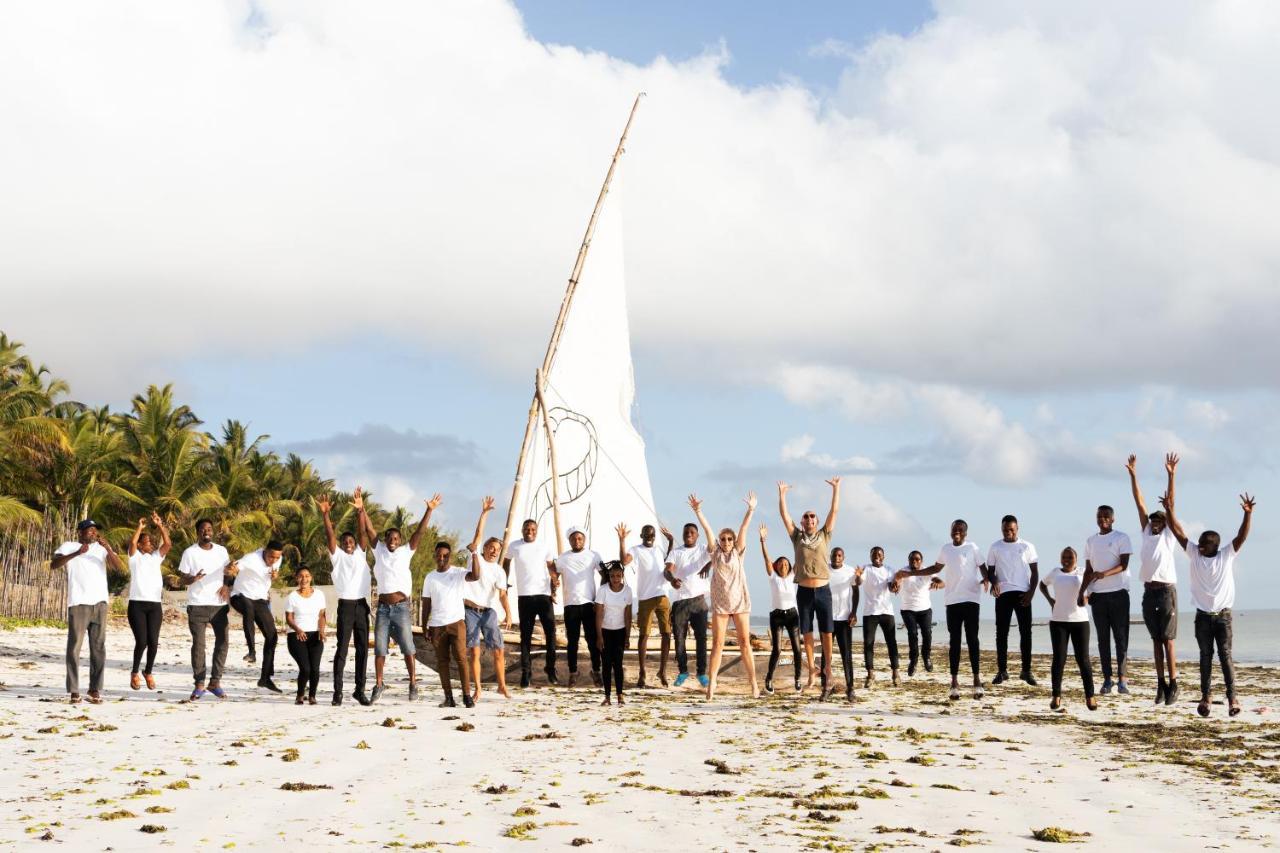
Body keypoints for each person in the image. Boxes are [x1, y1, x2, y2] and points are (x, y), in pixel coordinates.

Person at [1161, 489, 1255, 717]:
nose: (1200, 545)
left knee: (1225, 656)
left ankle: (1232, 698)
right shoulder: (1194, 554)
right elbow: (1177, 531)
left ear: (1214, 545)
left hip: (1223, 616)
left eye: (1204, 543)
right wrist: (1169, 510)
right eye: (1200, 542)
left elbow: (1241, 537)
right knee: (1205, 657)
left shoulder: (1225, 555)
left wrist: (1247, 514)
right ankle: (1206, 698)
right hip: (1202, 616)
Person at [360, 491, 440, 703]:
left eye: (396, 538)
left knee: (407, 647)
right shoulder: (379, 551)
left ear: (400, 540)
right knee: (379, 648)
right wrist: (361, 509)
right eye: (389, 538)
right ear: (385, 539)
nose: (392, 541)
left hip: (402, 607)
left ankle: (413, 683)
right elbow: (369, 529)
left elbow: (420, 533)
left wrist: (429, 510)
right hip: (384, 609)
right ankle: (379, 684)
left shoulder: (406, 551)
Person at [896, 520, 988, 700]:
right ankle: (954, 683)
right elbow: (935, 568)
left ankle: (976, 681)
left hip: (971, 599)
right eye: (954, 530)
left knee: (972, 640)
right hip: (952, 601)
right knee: (954, 642)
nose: (957, 533)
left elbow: (983, 568)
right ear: (950, 531)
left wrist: (987, 580)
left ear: (966, 533)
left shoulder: (973, 548)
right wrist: (912, 573)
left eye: (960, 530)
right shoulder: (946, 549)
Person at [777, 477, 841, 701]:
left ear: (817, 521)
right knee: (807, 633)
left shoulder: (825, 535)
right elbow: (785, 518)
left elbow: (834, 511)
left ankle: (828, 668)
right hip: (804, 592)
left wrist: (836, 489)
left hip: (823, 590)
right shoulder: (797, 537)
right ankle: (812, 671)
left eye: (812, 516)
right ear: (803, 522)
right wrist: (782, 495)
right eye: (806, 516)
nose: (809, 519)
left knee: (827, 632)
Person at [691, 492, 759, 701]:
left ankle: (754, 685)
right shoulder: (715, 553)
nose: (727, 541)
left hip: (739, 602)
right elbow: (708, 530)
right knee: (717, 644)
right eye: (724, 539)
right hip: (721, 604)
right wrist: (698, 511)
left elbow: (744, 529)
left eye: (729, 539)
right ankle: (712, 684)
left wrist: (751, 510)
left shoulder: (738, 552)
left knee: (744, 643)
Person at [1126, 454, 1181, 706]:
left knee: (1168, 641)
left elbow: (1172, 504)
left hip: (1166, 591)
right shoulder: (1147, 532)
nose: (1155, 523)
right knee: (1156, 641)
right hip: (1149, 592)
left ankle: (1174, 683)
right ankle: (1160, 684)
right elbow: (1139, 504)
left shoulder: (1169, 536)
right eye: (1153, 520)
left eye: (1159, 520)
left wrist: (1171, 475)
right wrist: (1133, 475)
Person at [51, 519, 122, 704]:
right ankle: (74, 690)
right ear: (80, 532)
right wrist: (77, 553)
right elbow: (54, 564)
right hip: (78, 602)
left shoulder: (101, 549)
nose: (93, 532)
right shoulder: (69, 546)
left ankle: (95, 689)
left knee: (98, 647)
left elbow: (119, 567)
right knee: (74, 647)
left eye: (95, 530)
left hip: (100, 603)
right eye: (89, 530)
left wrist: (107, 548)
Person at [175, 519, 238, 700]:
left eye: (209, 529)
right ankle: (199, 684)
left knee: (223, 642)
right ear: (197, 532)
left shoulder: (221, 551)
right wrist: (193, 579)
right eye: (203, 529)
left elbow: (228, 571)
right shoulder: (190, 553)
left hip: (219, 605)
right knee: (199, 645)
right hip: (197, 605)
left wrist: (227, 586)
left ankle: (215, 682)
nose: (206, 532)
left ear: (213, 531)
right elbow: (182, 579)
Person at [320, 490, 372, 706]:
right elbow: (330, 537)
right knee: (342, 649)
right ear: (341, 544)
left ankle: (359, 690)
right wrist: (325, 515)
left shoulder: (361, 553)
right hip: (346, 606)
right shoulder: (337, 556)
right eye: (345, 540)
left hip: (362, 605)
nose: (349, 542)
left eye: (351, 540)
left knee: (362, 650)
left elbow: (363, 532)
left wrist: (360, 510)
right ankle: (337, 692)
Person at [421, 539, 482, 708]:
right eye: (439, 555)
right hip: (437, 625)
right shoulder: (430, 577)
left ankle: (466, 696)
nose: (442, 558)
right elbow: (426, 604)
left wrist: (474, 553)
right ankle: (449, 698)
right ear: (435, 556)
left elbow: (476, 576)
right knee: (442, 662)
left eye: (445, 556)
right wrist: (424, 626)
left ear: (450, 557)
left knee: (462, 658)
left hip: (456, 623)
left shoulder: (458, 573)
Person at [463, 498, 513, 702]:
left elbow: (502, 594)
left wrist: (509, 613)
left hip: (489, 612)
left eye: (497, 549)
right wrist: (484, 513)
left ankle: (502, 686)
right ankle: (478, 689)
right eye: (491, 547)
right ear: (483, 549)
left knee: (498, 650)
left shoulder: (499, 571)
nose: (494, 550)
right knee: (474, 652)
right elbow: (477, 536)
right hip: (470, 610)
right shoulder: (476, 560)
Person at [1082, 505, 1133, 695]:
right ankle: (1107, 680)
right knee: (1103, 640)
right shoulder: (1090, 541)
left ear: (1112, 519)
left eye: (1106, 516)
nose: (1102, 519)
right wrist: (1083, 592)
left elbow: (1124, 564)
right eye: (1099, 516)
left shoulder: (1121, 537)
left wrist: (1104, 574)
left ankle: (1123, 681)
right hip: (1098, 596)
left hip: (1118, 593)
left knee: (1121, 638)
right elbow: (1088, 570)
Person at [1039, 547, 1097, 711]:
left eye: (1070, 557)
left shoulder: (1083, 572)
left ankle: (1090, 697)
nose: (1067, 559)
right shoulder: (1055, 572)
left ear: (1076, 559)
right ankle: (1056, 696)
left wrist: (1087, 597)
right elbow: (1042, 585)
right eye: (1064, 557)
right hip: (1058, 621)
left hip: (1080, 621)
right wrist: (1051, 601)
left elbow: (1093, 587)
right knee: (1059, 660)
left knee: (1083, 660)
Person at [618, 523, 674, 688]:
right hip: (645, 597)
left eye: (652, 535)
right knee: (644, 635)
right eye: (647, 535)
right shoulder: (636, 549)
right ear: (642, 536)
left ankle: (662, 671)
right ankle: (642, 672)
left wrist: (670, 542)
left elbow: (667, 562)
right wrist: (621, 540)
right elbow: (624, 561)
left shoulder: (658, 549)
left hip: (662, 595)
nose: (650, 538)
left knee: (666, 633)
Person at [504, 519, 559, 688]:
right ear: (522, 530)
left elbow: (551, 567)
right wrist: (504, 582)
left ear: (537, 530)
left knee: (551, 633)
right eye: (527, 529)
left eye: (533, 529)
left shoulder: (545, 546)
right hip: (524, 596)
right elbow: (506, 563)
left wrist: (554, 584)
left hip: (543, 596)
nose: (530, 531)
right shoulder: (514, 546)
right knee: (525, 637)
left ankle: (550, 668)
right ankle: (526, 672)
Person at [986, 515, 1039, 686]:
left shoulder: (1027, 546)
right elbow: (990, 571)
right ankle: (1002, 671)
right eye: (1005, 530)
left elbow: (1035, 572)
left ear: (1017, 529)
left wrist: (1031, 592)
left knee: (1026, 633)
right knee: (1001, 634)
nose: (1008, 532)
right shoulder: (995, 547)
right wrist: (994, 583)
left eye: (1011, 529)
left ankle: (1026, 671)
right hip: (1003, 594)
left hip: (1023, 593)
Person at [228, 539, 284, 693]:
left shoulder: (278, 558)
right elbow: (233, 568)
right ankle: (251, 652)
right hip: (239, 596)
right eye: (271, 557)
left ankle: (265, 678)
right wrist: (231, 569)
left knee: (272, 636)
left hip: (260, 600)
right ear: (265, 551)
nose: (273, 560)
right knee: (248, 608)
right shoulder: (251, 558)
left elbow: (274, 573)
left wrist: (275, 576)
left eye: (277, 558)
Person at [126, 513, 171, 691]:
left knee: (153, 641)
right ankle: (135, 672)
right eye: (147, 542)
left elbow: (167, 544)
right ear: (139, 545)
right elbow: (131, 544)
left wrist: (160, 525)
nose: (151, 544)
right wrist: (139, 528)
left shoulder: (156, 558)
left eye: (152, 542)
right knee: (142, 641)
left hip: (154, 605)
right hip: (137, 604)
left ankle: (148, 672)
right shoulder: (134, 558)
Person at [664, 522, 712, 688]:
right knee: (679, 638)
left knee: (702, 638)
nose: (689, 534)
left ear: (697, 535)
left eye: (692, 532)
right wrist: (672, 580)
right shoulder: (676, 552)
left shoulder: (703, 549)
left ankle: (701, 673)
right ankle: (683, 671)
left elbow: (717, 553)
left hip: (699, 601)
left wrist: (709, 564)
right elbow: (667, 570)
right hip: (680, 601)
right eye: (686, 532)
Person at [557, 527, 605, 687]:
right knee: (572, 641)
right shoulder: (562, 558)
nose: (577, 541)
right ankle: (573, 672)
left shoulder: (593, 555)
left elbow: (604, 575)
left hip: (589, 603)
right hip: (570, 604)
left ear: (584, 539)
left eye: (579, 538)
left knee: (592, 640)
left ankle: (596, 671)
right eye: (573, 538)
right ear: (569, 540)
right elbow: (554, 576)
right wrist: (552, 588)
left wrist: (600, 597)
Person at [758, 525, 801, 695]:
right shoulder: (773, 577)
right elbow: (766, 558)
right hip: (776, 616)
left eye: (786, 563)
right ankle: (769, 678)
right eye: (780, 563)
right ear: (776, 566)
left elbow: (799, 555)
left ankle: (797, 678)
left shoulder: (792, 576)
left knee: (797, 649)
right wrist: (763, 541)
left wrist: (800, 540)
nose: (783, 564)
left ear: (790, 566)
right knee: (777, 649)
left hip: (792, 615)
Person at [855, 547, 900, 688]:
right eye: (874, 554)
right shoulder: (866, 569)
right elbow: (858, 582)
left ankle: (896, 673)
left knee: (891, 643)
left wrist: (895, 587)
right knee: (868, 644)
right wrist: (857, 576)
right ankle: (870, 674)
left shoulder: (889, 569)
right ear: (870, 556)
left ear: (883, 556)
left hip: (887, 611)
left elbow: (891, 588)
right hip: (870, 612)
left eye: (879, 554)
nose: (877, 556)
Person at [284, 566, 327, 705]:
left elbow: (322, 615)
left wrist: (321, 630)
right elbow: (289, 618)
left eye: (307, 575)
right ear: (297, 578)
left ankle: (312, 696)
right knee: (305, 668)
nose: (304, 579)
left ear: (311, 577)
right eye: (301, 576)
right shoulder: (292, 597)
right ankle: (300, 694)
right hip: (296, 636)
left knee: (314, 668)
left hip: (315, 635)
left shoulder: (319, 594)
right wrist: (297, 629)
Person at [595, 560, 634, 706]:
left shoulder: (628, 591)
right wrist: (599, 637)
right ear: (609, 576)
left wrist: (627, 636)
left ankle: (620, 695)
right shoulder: (603, 590)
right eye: (612, 576)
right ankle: (607, 697)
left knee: (618, 664)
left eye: (618, 576)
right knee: (605, 664)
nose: (615, 579)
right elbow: (598, 614)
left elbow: (628, 615)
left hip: (620, 631)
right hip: (605, 631)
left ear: (622, 576)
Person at [896, 550, 941, 677]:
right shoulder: (903, 571)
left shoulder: (927, 571)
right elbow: (897, 580)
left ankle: (926, 657)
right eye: (912, 559)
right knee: (912, 633)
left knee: (927, 633)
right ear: (909, 560)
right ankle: (913, 660)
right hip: (907, 609)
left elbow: (941, 582)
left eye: (917, 559)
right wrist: (896, 585)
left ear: (921, 561)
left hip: (925, 609)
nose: (914, 561)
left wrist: (937, 583)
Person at [828, 546, 858, 700]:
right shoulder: (824, 570)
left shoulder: (850, 571)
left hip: (844, 619)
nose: (836, 558)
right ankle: (825, 687)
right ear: (830, 556)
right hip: (827, 619)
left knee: (846, 655)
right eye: (834, 555)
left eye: (839, 555)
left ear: (843, 557)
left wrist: (854, 612)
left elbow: (856, 592)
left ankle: (850, 688)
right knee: (826, 656)